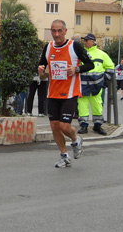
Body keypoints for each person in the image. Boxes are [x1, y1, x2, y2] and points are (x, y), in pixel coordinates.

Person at [38, 20, 94, 168]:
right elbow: (42, 66)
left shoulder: (74, 46)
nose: (56, 34)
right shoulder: (48, 47)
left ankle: (76, 140)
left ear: (65, 31)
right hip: (53, 93)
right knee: (54, 126)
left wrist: (76, 69)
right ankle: (64, 156)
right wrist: (41, 71)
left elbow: (90, 64)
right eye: (54, 31)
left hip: (70, 92)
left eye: (59, 31)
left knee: (64, 126)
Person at [77, 33, 114, 135]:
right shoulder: (80, 54)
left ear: (93, 42)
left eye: (87, 40)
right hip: (83, 84)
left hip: (96, 85)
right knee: (82, 105)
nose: (85, 42)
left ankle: (97, 125)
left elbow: (110, 67)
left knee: (97, 105)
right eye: (84, 40)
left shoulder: (102, 54)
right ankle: (83, 125)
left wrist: (103, 80)